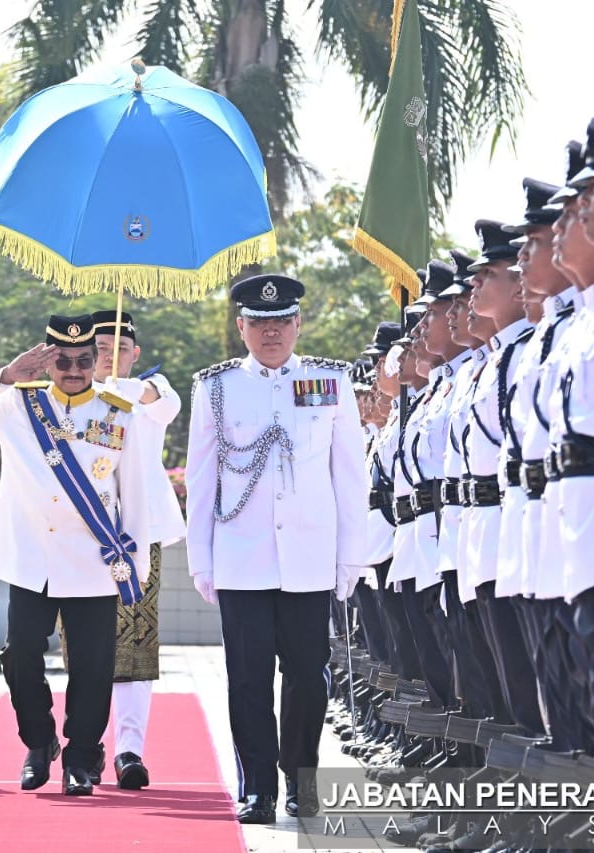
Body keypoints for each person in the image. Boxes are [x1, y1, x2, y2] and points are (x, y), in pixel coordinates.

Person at [0, 314, 150, 796]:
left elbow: (134, 493)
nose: (74, 369)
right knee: (19, 655)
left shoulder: (118, 411)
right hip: (30, 557)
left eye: (83, 360)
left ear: (95, 362)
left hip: (94, 559)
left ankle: (81, 756)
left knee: (94, 666)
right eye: (63, 360)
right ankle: (39, 744)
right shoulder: (17, 405)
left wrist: (132, 567)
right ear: (48, 360)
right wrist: (2, 376)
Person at [186, 274, 364, 823]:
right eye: (259, 323)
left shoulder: (329, 381)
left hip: (309, 560)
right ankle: (259, 787)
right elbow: (201, 477)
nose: (271, 332)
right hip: (242, 557)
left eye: (281, 321)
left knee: (309, 674)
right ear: (241, 326)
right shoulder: (215, 388)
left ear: (297, 324)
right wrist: (203, 560)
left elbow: (350, 476)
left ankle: (302, 779)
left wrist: (350, 555)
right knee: (248, 677)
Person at [89, 308, 185, 790]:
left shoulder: (152, 389)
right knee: (86, 646)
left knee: (136, 646)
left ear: (136, 354)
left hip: (137, 534)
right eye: (100, 349)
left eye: (119, 350)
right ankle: (85, 741)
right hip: (81, 535)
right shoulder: (69, 394)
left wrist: (122, 389)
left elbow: (165, 404)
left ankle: (130, 749)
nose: (109, 358)